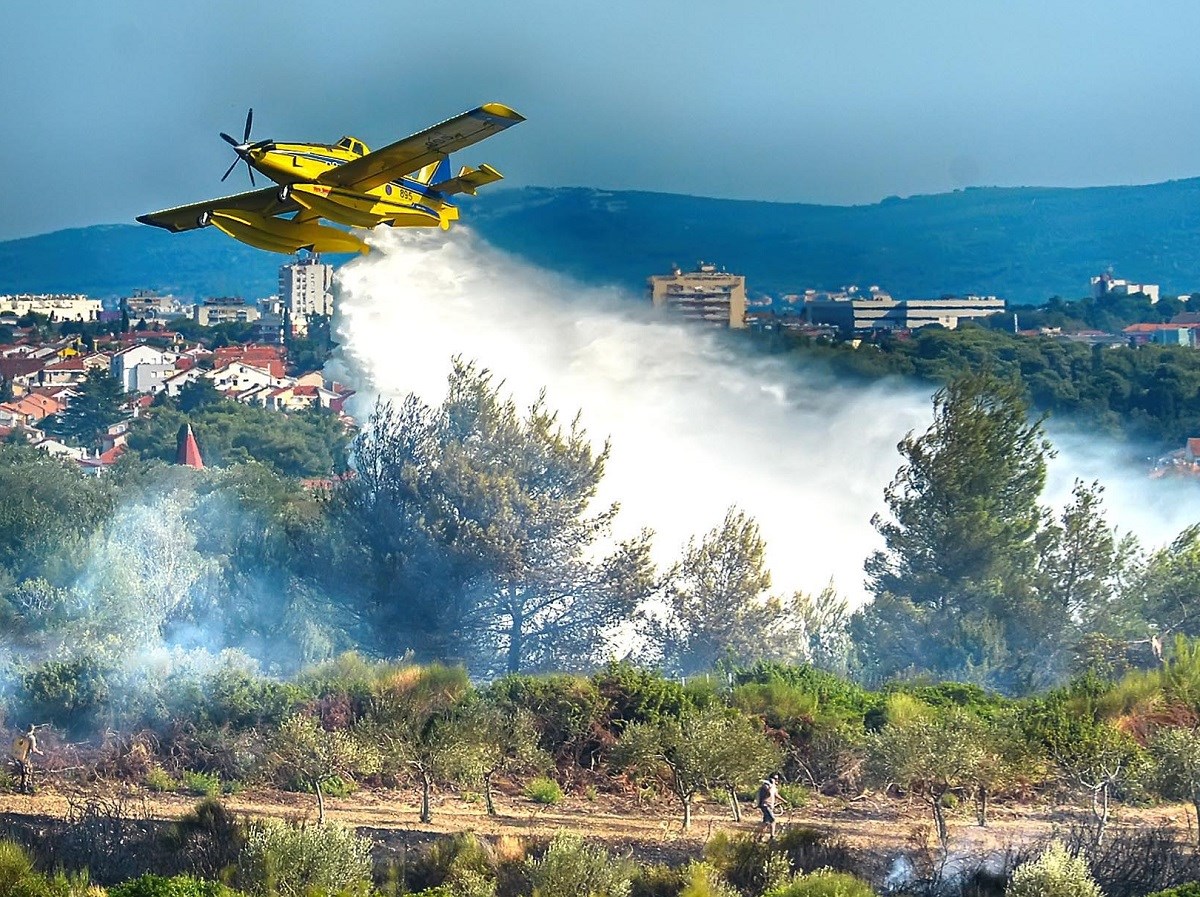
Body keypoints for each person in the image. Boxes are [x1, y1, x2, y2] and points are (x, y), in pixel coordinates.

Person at [11, 725, 43, 794]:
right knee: (27, 771)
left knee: (24, 771)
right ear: (33, 730)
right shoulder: (31, 738)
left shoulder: (21, 735)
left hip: (18, 755)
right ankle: (25, 788)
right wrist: (40, 753)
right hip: (25, 757)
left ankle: (26, 786)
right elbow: (33, 749)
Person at [756, 773, 780, 839]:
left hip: (770, 806)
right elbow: (769, 793)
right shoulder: (766, 785)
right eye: (775, 779)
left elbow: (776, 795)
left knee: (766, 822)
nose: (776, 780)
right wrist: (771, 785)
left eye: (777, 779)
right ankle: (772, 836)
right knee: (773, 820)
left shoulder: (774, 787)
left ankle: (759, 837)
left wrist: (785, 801)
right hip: (765, 805)